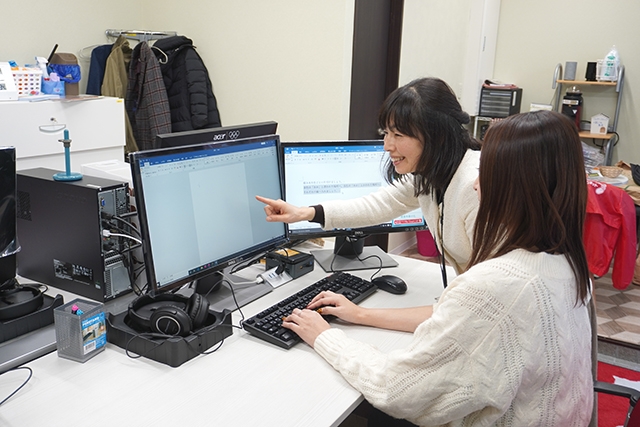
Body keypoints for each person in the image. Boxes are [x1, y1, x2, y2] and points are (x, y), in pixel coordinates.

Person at [278, 110, 594, 426]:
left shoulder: (498, 284)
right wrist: (359, 314)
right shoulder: (565, 261)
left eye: (489, 170)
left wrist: (325, 336)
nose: (476, 184)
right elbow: (379, 205)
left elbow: (398, 390)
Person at [257, 77, 481, 280]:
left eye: (398, 135)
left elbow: (495, 285)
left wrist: (361, 314)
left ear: (438, 136)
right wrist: (303, 213)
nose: (386, 146)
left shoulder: (475, 188)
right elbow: (379, 205)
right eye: (386, 133)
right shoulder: (432, 176)